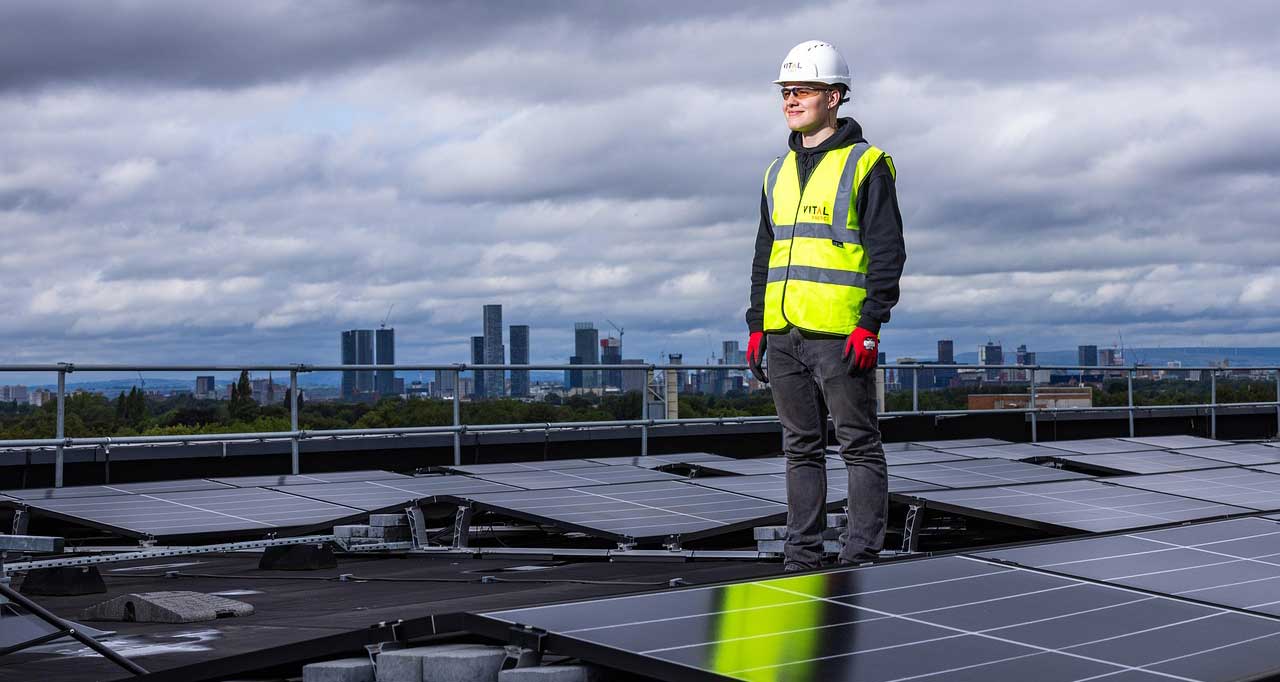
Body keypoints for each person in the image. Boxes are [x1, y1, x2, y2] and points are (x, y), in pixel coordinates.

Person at [745, 40, 906, 570]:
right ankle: (802, 557)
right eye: (786, 92)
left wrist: (870, 322)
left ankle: (860, 557)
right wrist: (755, 323)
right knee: (800, 450)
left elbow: (887, 250)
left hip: (840, 334)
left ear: (834, 97)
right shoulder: (776, 172)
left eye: (803, 91)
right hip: (782, 334)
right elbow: (765, 252)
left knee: (858, 444)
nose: (791, 100)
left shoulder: (867, 164)